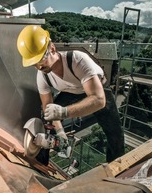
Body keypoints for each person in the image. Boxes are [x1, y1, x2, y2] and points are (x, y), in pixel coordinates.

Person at [17, 25, 124, 163]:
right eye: (34, 63)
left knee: (115, 133)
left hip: (97, 91)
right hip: (71, 92)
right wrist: (60, 132)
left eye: (41, 59)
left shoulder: (77, 60)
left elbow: (98, 100)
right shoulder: (42, 75)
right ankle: (41, 163)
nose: (39, 67)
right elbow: (47, 106)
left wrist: (64, 112)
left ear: (52, 48)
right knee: (48, 115)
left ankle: (116, 171)